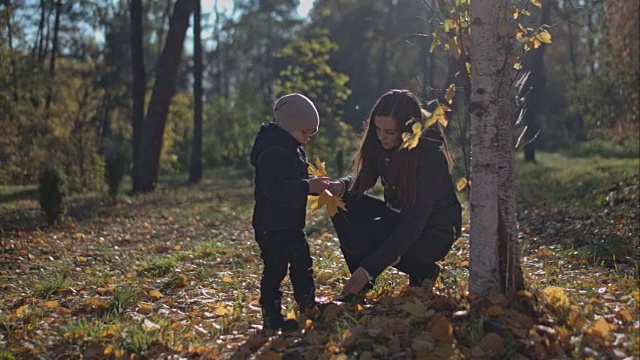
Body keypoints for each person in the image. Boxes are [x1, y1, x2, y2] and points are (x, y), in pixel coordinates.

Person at [327, 89, 462, 298]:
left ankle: (420, 269)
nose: (381, 137)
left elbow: (414, 223)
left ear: (407, 130)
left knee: (370, 236)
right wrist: (342, 185)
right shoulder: (380, 143)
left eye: (389, 132)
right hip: (399, 216)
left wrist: (369, 269)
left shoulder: (430, 157)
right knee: (341, 201)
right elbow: (365, 178)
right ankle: (360, 288)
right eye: (378, 129)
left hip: (433, 232)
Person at [249, 93, 330, 331]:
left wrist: (314, 187)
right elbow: (275, 189)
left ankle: (308, 302)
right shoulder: (273, 152)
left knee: (302, 262)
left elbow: (296, 182)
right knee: (276, 269)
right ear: (289, 126)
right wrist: (307, 186)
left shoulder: (294, 149)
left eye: (310, 134)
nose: (306, 139)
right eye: (304, 132)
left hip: (292, 224)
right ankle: (271, 315)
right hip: (271, 226)